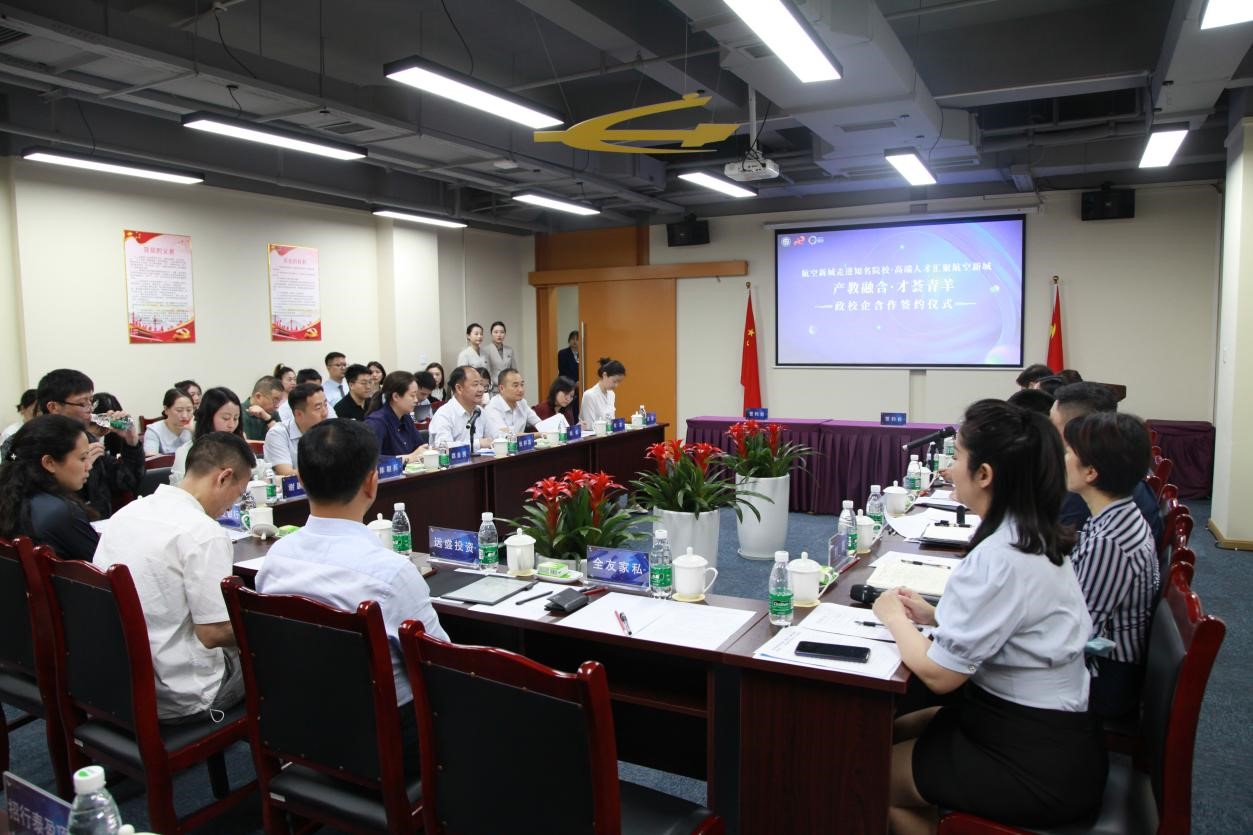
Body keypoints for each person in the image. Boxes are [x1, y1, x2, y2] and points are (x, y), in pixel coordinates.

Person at [874, 399, 1105, 833]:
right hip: (1050, 729)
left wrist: (893, 617)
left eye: (958, 457)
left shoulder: (1001, 555)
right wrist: (936, 615)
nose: (949, 469)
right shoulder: (1029, 531)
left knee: (869, 777)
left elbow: (940, 676)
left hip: (1034, 758)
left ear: (984, 474)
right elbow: (1011, 620)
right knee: (891, 732)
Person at [256, 419, 448, 771]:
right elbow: (441, 668)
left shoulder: (275, 560)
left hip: (297, 727)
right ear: (372, 483)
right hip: (383, 742)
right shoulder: (390, 573)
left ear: (301, 480)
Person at [95, 432, 254, 721]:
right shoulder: (203, 532)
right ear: (223, 478)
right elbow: (213, 634)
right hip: (182, 694)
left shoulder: (127, 513)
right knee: (279, 651)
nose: (232, 505)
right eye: (240, 493)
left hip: (116, 682)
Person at [1063, 410, 1159, 720]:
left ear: (1091, 472)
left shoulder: (1110, 541)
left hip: (1103, 679)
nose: (1061, 460)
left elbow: (1073, 633)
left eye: (1068, 452)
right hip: (1101, 663)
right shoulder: (1117, 513)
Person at [1050, 382, 1163, 542]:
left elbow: (1055, 544)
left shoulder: (1089, 487)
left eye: (1052, 423)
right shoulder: (1118, 466)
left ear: (1074, 428)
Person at [29, 370, 143, 519]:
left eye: (91, 401)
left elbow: (126, 482)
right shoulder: (31, 441)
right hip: (64, 524)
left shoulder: (86, 438)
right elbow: (33, 499)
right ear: (53, 407)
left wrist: (131, 442)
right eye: (83, 403)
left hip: (99, 524)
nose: (90, 408)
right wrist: (78, 465)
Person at [0, 414, 99, 560]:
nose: (89, 466)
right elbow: (103, 563)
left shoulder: (11, 495)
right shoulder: (61, 513)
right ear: (49, 463)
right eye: (83, 458)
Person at [171, 387, 245, 486]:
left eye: (236, 418)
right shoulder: (186, 452)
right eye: (226, 418)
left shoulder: (239, 447)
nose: (231, 425)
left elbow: (258, 471)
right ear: (208, 418)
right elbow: (180, 490)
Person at [264, 383, 328, 476]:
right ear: (298, 414)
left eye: (325, 405)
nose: (325, 413)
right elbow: (287, 474)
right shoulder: (278, 433)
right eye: (318, 408)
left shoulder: (330, 430)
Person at [364, 371, 429, 463]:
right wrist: (408, 458)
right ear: (396, 396)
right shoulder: (376, 422)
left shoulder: (406, 418)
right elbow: (369, 459)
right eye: (412, 395)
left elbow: (420, 448)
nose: (416, 400)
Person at [427, 365, 494, 450]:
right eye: (475, 384)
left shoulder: (479, 411)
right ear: (459, 388)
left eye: (481, 384)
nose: (481, 389)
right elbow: (443, 448)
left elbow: (492, 439)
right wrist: (477, 444)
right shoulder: (444, 414)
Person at [483, 369, 542, 439]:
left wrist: (549, 430)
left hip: (520, 445)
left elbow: (540, 424)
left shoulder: (522, 403)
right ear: (501, 388)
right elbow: (508, 436)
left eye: (522, 385)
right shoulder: (492, 408)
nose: (521, 390)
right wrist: (540, 434)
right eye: (515, 386)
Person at [143, 388, 194, 455]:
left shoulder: (195, 427)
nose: (185, 415)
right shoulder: (154, 430)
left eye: (189, 410)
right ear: (166, 409)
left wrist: (195, 431)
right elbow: (151, 457)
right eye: (179, 410)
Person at [580, 358, 625, 429]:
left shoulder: (611, 394)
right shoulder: (589, 395)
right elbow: (589, 426)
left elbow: (611, 420)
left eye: (619, 382)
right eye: (614, 381)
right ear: (605, 375)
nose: (616, 385)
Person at [242, 375, 284, 441]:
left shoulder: (273, 414)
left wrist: (268, 419)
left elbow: (283, 440)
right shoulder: (239, 412)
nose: (277, 406)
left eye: (279, 401)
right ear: (258, 396)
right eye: (275, 401)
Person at [483, 321, 516, 394]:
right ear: (491, 334)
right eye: (496, 332)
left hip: (508, 388)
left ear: (505, 334)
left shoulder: (509, 350)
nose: (499, 335)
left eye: (502, 332)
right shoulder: (485, 351)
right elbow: (486, 372)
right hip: (493, 389)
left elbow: (513, 370)